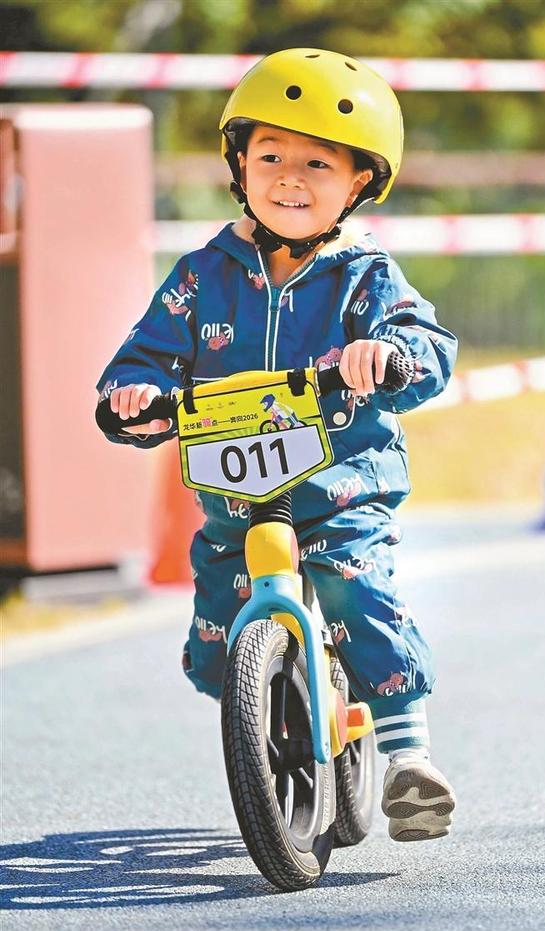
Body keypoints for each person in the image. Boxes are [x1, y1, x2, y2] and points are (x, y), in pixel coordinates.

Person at [97, 48, 458, 843]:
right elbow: (146, 354)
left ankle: (406, 757)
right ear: (239, 164)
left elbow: (426, 345)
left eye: (317, 162)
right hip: (237, 498)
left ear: (360, 181)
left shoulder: (363, 274)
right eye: (270, 156)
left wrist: (387, 355)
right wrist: (132, 394)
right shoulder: (204, 274)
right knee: (217, 632)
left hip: (339, 487)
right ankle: (272, 714)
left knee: (356, 589)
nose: (290, 177)